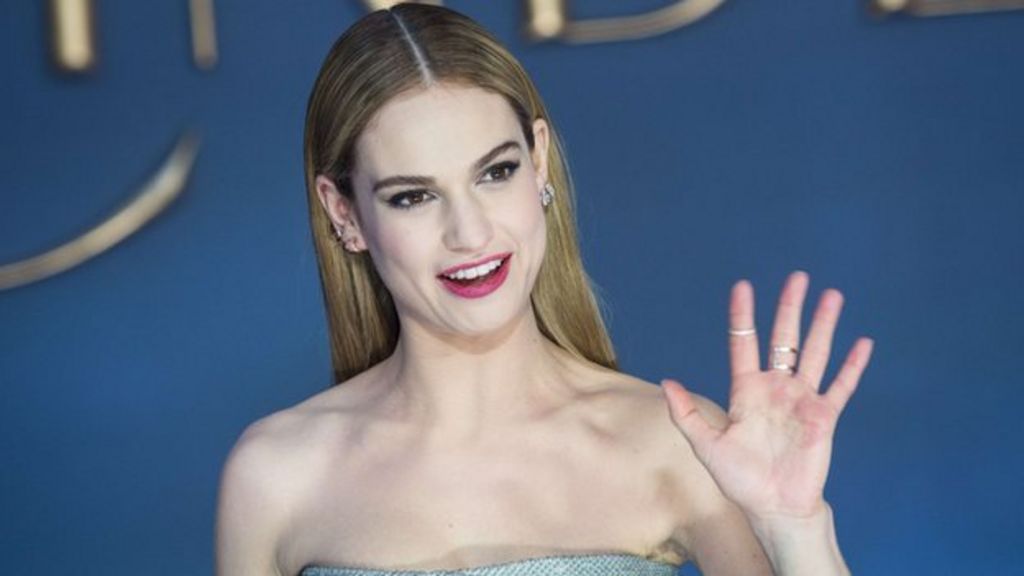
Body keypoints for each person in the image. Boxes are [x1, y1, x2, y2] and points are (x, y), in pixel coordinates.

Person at [215, 4, 874, 575]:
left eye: (495, 172)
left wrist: (796, 528)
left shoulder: (677, 444)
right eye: (413, 196)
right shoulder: (277, 475)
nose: (470, 233)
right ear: (345, 214)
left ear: (538, 160)